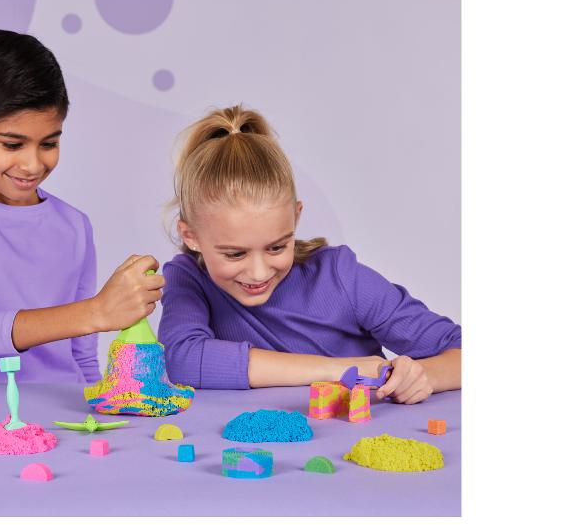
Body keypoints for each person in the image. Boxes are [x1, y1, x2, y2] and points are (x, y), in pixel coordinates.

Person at [158, 105, 461, 404]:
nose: (259, 272)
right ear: (191, 236)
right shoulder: (189, 279)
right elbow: (182, 359)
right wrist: (339, 370)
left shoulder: (339, 276)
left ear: (296, 216)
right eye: (235, 254)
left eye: (277, 247)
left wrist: (424, 376)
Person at [0, 29, 163, 382]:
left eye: (48, 143)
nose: (33, 165)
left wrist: (98, 408)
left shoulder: (75, 226)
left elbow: (83, 358)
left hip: (63, 423)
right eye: (12, 144)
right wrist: (96, 311)